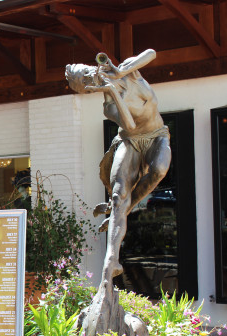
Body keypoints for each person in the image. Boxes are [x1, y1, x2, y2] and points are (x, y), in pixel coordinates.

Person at [65, 49, 171, 283]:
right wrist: (112, 90)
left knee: (159, 170)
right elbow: (131, 126)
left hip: (157, 136)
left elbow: (152, 53)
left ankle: (122, 211)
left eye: (88, 71)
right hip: (130, 140)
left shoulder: (128, 70)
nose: (93, 74)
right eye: (87, 79)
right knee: (117, 195)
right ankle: (112, 260)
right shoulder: (109, 106)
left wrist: (121, 71)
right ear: (90, 88)